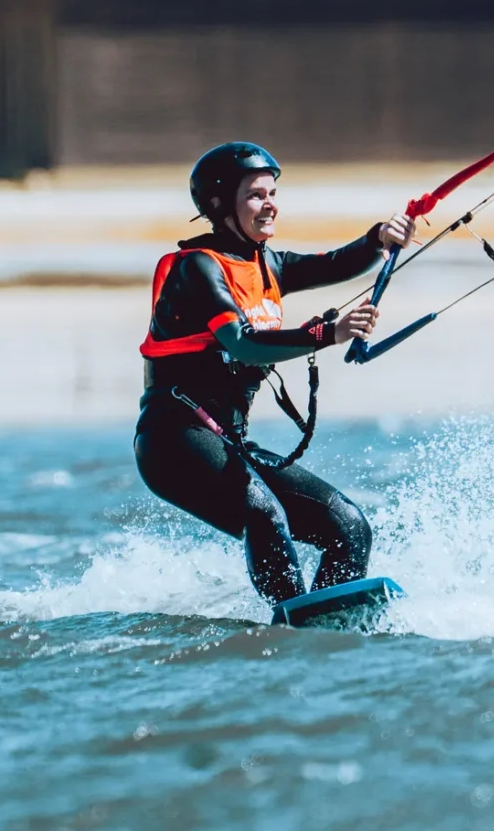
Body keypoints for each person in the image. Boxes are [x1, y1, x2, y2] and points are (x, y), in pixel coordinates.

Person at [136, 141, 411, 606]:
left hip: (228, 440)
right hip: (174, 440)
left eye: (273, 193)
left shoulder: (268, 264)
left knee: (348, 526)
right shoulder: (197, 269)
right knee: (264, 514)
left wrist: (377, 239)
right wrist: (327, 333)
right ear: (220, 204)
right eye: (257, 195)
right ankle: (290, 622)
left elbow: (337, 264)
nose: (271, 205)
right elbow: (240, 341)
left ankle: (324, 623)